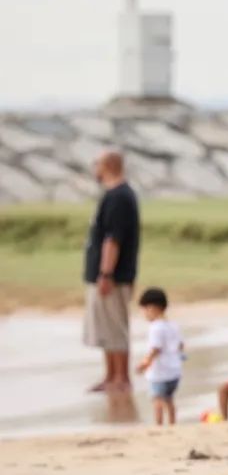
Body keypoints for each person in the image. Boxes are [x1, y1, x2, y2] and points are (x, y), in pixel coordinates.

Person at [83, 151, 141, 393]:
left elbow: (113, 239)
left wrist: (106, 273)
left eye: (97, 164)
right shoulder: (111, 195)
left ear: (107, 166)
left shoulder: (120, 197)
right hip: (104, 275)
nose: (95, 169)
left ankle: (121, 378)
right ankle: (110, 376)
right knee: (105, 328)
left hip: (114, 276)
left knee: (116, 327)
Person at [135, 288, 184, 426]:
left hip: (160, 373)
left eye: (145, 310)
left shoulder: (155, 327)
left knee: (157, 400)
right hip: (174, 371)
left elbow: (155, 349)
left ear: (152, 308)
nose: (145, 314)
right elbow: (180, 345)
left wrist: (145, 363)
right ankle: (172, 423)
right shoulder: (173, 325)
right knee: (169, 399)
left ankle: (159, 425)